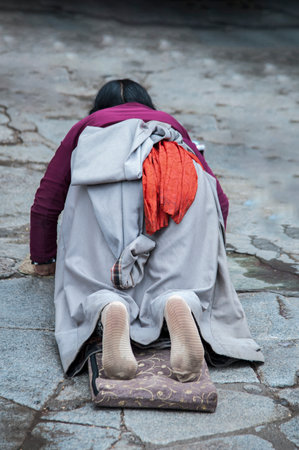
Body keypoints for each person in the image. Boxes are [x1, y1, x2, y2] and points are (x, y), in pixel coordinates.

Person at [30, 79, 264, 382]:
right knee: (177, 273)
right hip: (175, 184)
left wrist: (43, 258)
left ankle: (107, 304)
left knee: (91, 268)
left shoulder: (87, 127)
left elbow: (46, 202)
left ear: (100, 107)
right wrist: (208, 251)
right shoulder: (169, 125)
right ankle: (177, 300)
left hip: (108, 192)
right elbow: (219, 200)